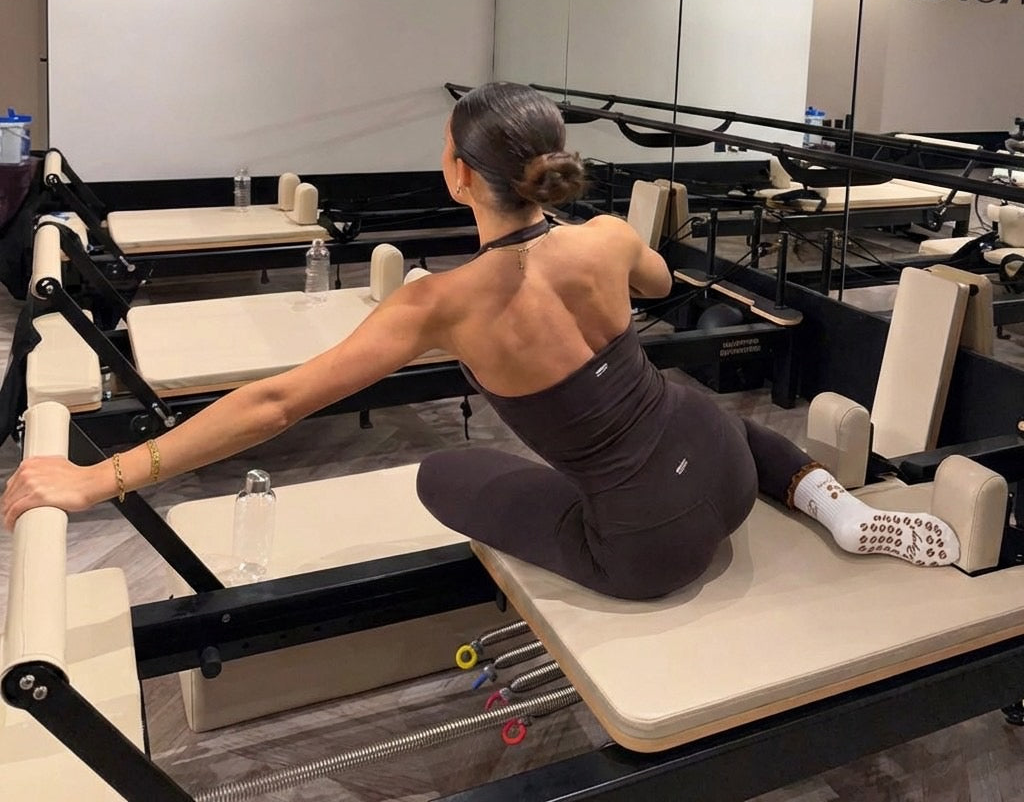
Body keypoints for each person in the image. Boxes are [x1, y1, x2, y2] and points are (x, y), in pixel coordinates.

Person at [1, 83, 958, 599]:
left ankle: (764, 504)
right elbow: (662, 287)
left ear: (459, 174)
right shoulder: (605, 236)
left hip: (649, 553)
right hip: (729, 473)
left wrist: (99, 477)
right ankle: (831, 505)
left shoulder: (444, 305)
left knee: (441, 474)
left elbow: (278, 402)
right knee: (681, 408)